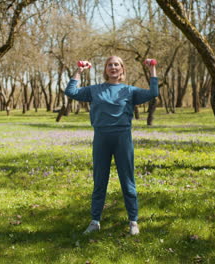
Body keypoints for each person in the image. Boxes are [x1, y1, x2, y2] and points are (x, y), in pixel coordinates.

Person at [65, 56, 158, 235]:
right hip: (101, 139)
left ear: (122, 69)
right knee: (100, 181)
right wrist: (79, 71)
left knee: (127, 181)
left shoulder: (129, 91)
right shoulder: (95, 90)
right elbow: (71, 92)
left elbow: (153, 92)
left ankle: (133, 221)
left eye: (116, 65)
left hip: (122, 139)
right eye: (109, 65)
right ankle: (95, 221)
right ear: (105, 70)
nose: (113, 67)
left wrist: (152, 69)